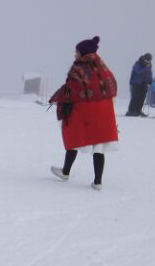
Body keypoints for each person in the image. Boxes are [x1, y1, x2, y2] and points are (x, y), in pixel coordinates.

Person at [48, 36, 117, 190]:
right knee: (98, 146)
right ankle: (97, 182)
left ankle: (65, 172)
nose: (75, 54)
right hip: (103, 112)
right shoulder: (103, 68)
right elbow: (112, 87)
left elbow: (71, 88)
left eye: (77, 51)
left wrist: (56, 98)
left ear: (83, 52)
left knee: (74, 136)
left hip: (84, 112)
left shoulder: (79, 68)